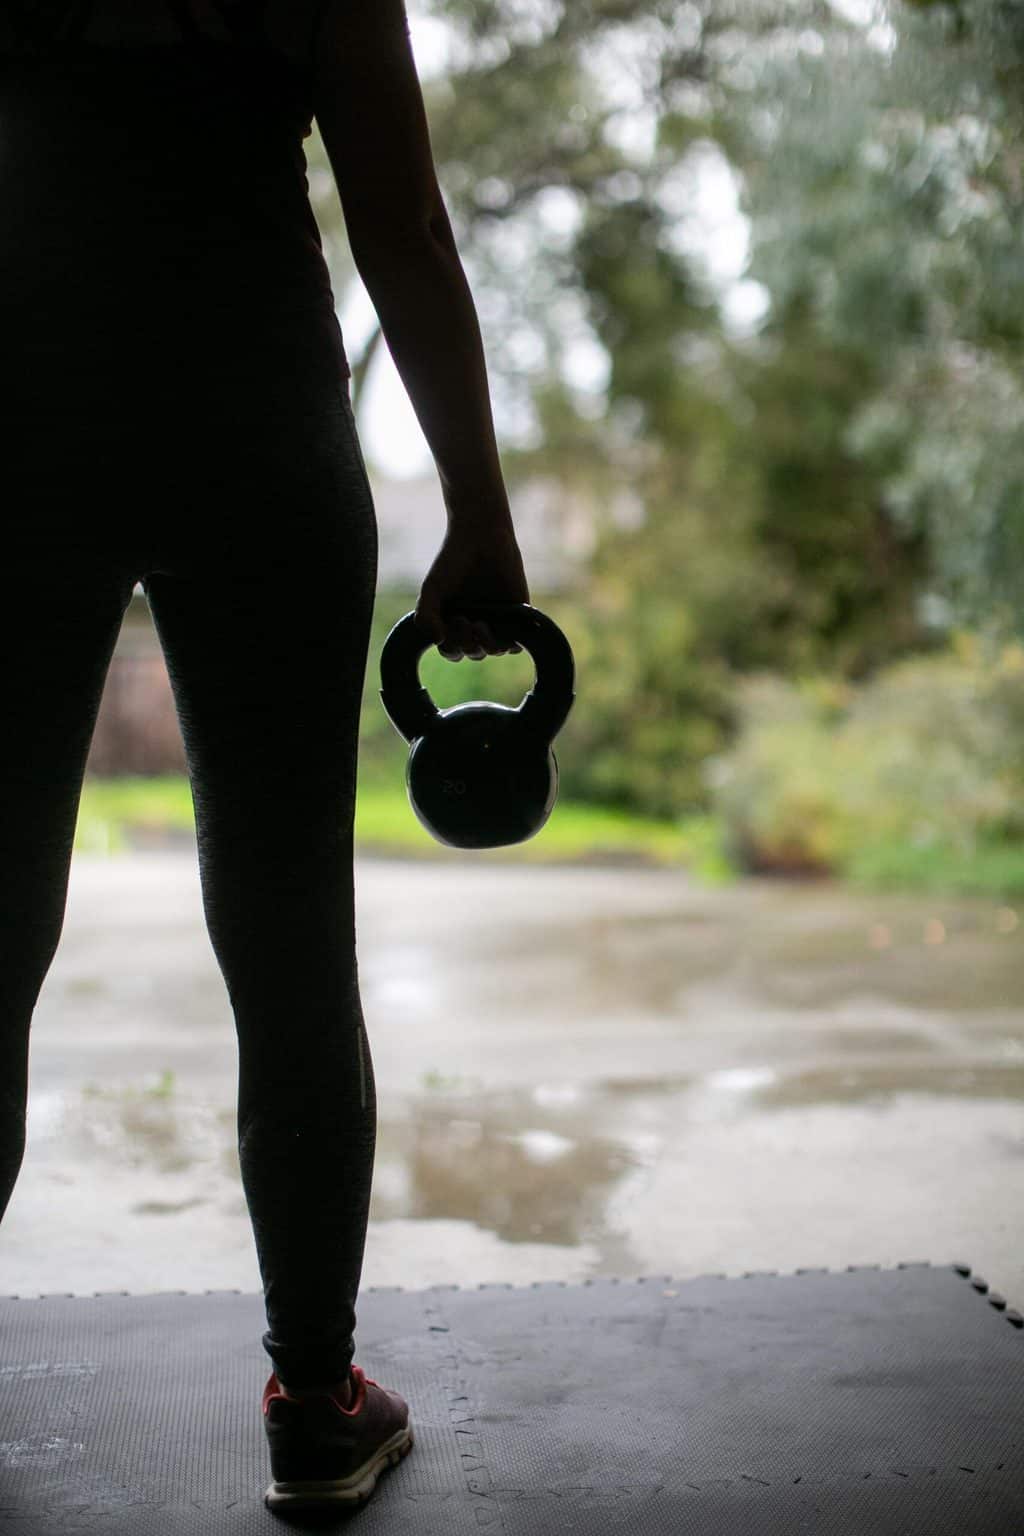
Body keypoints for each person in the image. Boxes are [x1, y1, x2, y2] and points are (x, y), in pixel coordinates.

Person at [0, 0, 531, 1513]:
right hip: (260, 436)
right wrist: (477, 514)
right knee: (292, 943)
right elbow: (404, 229)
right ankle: (318, 1401)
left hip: (21, 433)